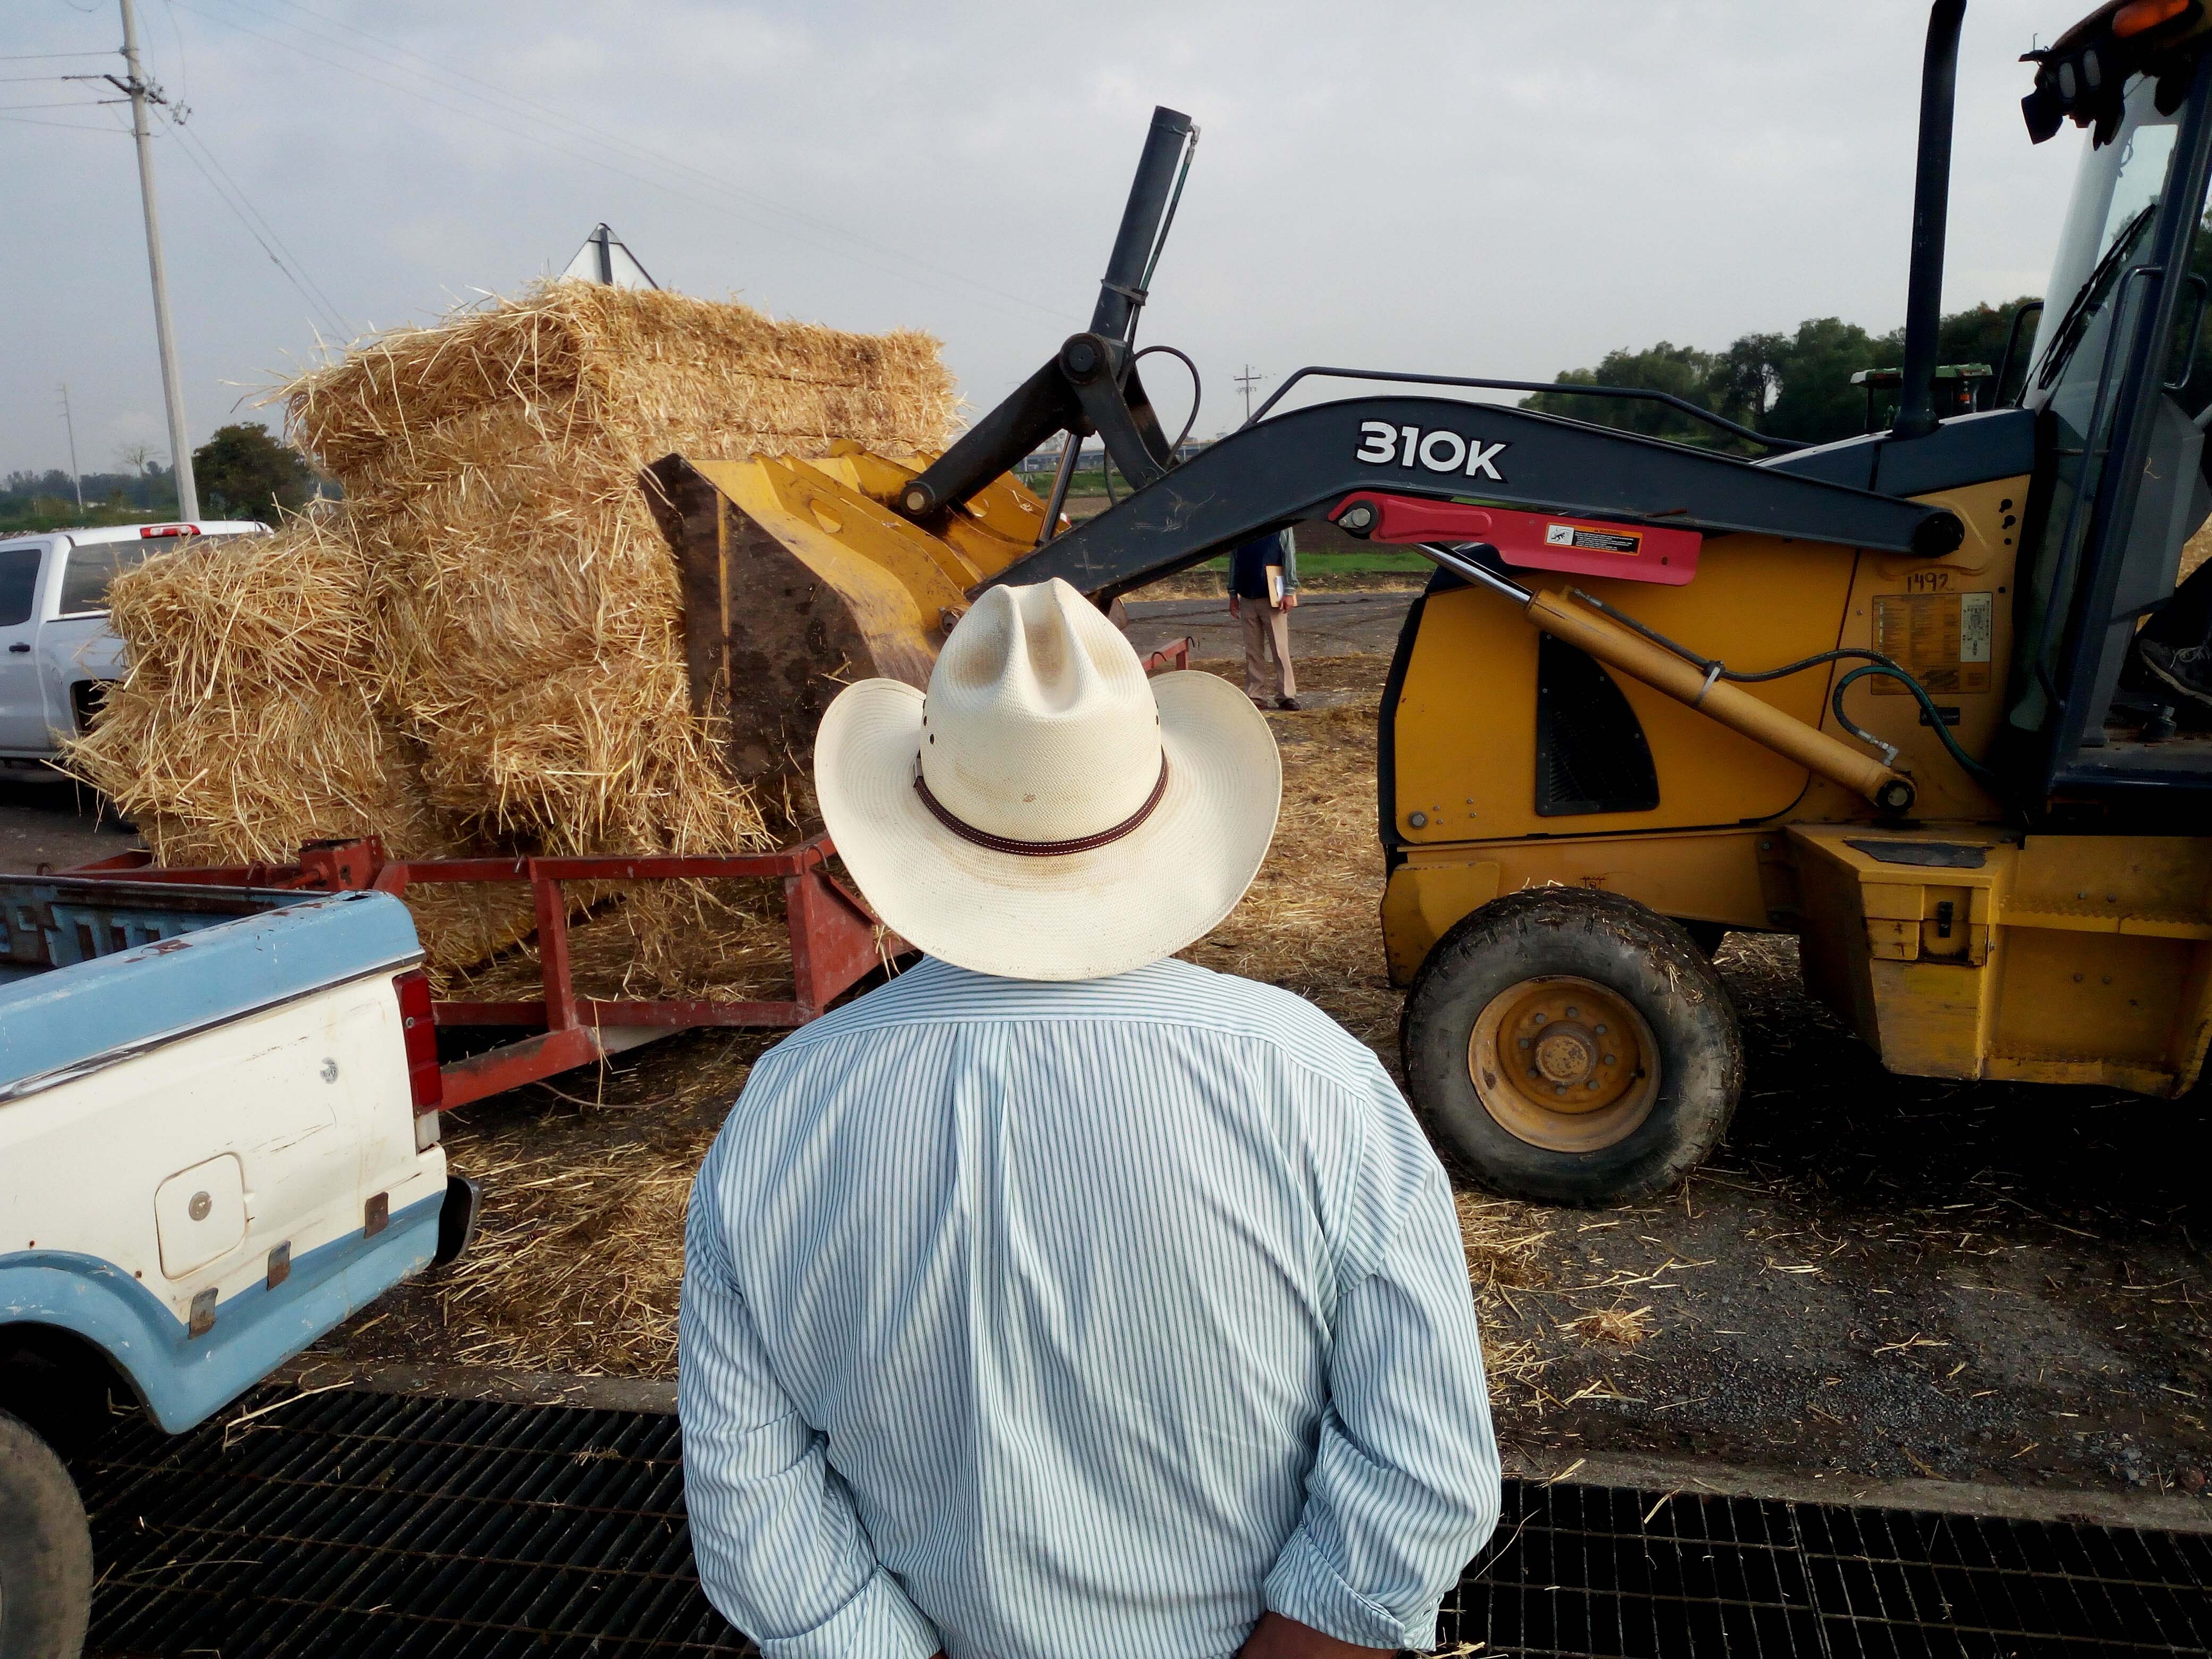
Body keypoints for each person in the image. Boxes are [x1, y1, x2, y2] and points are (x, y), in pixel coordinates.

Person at [678, 578, 1499, 1659]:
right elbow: (1423, 1468)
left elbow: (753, 1503)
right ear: (1157, 809)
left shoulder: (789, 1107)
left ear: (906, 825)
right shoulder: (1309, 1080)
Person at [1230, 525, 1301, 711]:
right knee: (1253, 651)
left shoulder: (1282, 526)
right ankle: (1255, 695)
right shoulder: (1241, 527)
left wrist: (1290, 591)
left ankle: (1286, 695)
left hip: (1273, 596)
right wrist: (1232, 593)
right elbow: (1235, 559)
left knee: (1280, 649)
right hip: (1247, 596)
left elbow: (1289, 556)